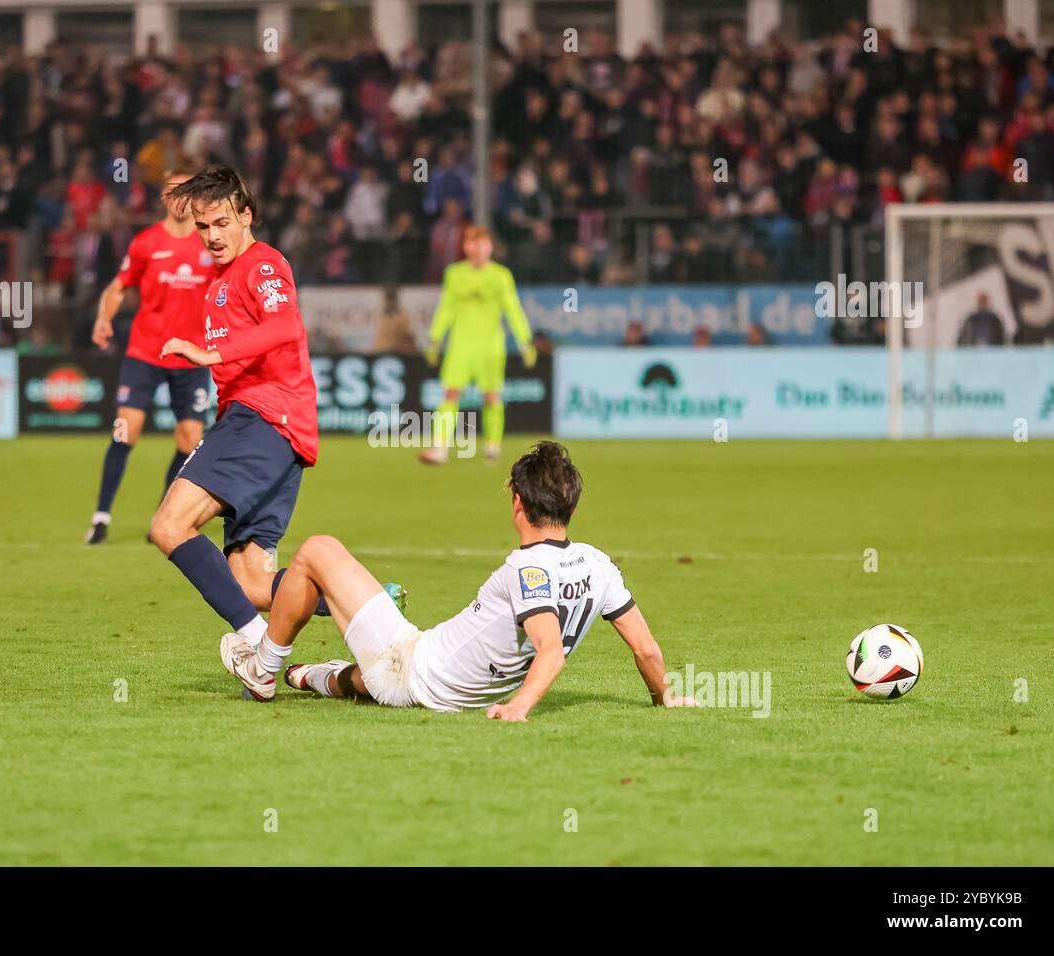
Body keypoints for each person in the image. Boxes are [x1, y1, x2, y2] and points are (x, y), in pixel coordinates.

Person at [219, 442, 695, 718]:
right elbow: (646, 650)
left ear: (518, 505)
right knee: (363, 678)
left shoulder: (525, 570)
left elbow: (549, 649)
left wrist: (520, 707)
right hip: (436, 677)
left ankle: (263, 670)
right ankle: (314, 675)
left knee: (316, 551)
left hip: (412, 666)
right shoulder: (600, 565)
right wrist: (663, 696)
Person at [150, 165, 403, 647]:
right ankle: (372, 600)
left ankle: (254, 647)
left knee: (169, 525)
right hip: (270, 432)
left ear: (246, 216)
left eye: (222, 222)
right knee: (248, 584)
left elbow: (286, 325)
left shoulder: (262, 265)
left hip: (265, 418)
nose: (212, 236)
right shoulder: (217, 285)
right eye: (203, 227)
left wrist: (211, 354)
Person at [84, 168, 213, 545]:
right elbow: (118, 286)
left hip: (190, 358)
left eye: (185, 191)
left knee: (190, 440)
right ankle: (101, 517)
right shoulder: (146, 243)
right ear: (164, 199)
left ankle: (161, 518)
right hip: (145, 353)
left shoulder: (210, 243)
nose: (179, 198)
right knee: (127, 429)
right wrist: (103, 318)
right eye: (172, 192)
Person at [420, 225, 536, 464]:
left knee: (492, 397)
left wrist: (525, 341)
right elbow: (446, 308)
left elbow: (512, 309)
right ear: (466, 246)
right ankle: (440, 448)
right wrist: (434, 338)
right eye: (472, 243)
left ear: (490, 246)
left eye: (482, 243)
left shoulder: (500, 276)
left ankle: (492, 447)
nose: (477, 248)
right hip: (460, 345)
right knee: (450, 394)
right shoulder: (454, 273)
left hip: (490, 347)